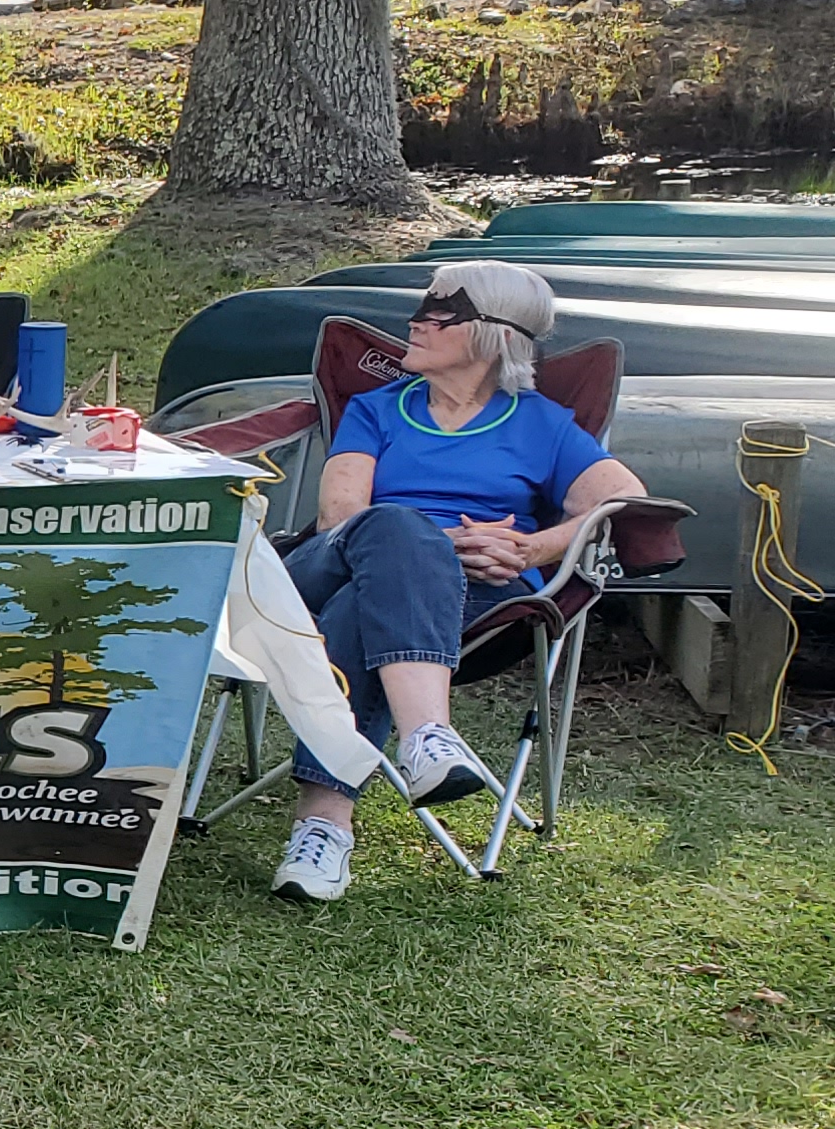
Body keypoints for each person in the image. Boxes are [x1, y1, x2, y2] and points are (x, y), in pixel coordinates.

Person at [267, 260, 645, 904]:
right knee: (393, 531)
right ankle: (426, 738)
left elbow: (621, 501)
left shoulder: (541, 423)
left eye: (440, 314)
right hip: (331, 567)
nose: (415, 323)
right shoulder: (376, 409)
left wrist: (531, 545)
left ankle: (324, 825)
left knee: (370, 606)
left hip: (472, 599)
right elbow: (341, 516)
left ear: (493, 334)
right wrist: (440, 545)